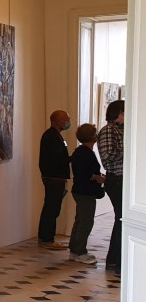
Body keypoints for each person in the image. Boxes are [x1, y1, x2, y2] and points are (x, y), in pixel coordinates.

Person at [68, 123, 106, 264]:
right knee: (86, 222)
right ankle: (80, 252)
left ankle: (74, 250)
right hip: (85, 192)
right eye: (95, 133)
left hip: (81, 190)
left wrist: (97, 176)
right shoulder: (84, 153)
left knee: (80, 220)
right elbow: (83, 173)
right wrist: (97, 177)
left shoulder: (82, 151)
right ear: (91, 136)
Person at [97, 99, 124, 272]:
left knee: (121, 219)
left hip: (121, 179)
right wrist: (129, 149)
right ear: (116, 114)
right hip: (116, 179)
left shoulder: (121, 130)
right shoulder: (108, 130)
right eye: (123, 113)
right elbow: (107, 155)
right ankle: (116, 260)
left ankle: (115, 259)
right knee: (122, 219)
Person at [38, 109, 71, 249]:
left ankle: (46, 237)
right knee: (52, 208)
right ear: (58, 121)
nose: (68, 122)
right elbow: (56, 158)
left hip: (55, 177)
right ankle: (47, 239)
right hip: (54, 178)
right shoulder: (51, 136)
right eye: (66, 119)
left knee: (52, 208)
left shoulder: (56, 135)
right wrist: (71, 158)